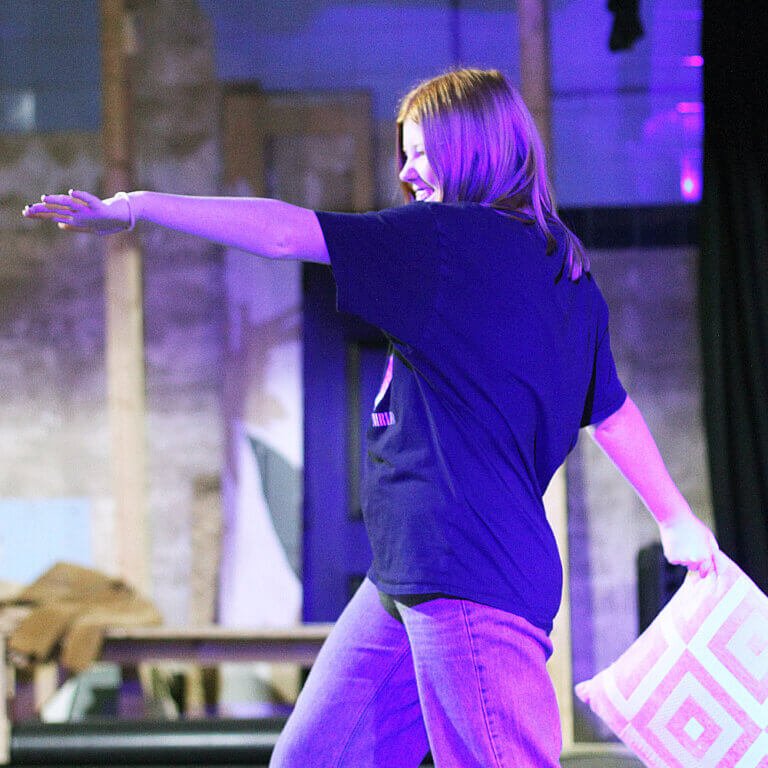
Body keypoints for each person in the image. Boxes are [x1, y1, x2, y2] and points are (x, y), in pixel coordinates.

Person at [24, 67, 721, 768]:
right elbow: (614, 414)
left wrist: (141, 205)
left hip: (466, 572)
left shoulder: (445, 242)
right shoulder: (566, 272)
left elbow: (280, 233)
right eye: (405, 153)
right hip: (408, 575)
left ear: (471, 148)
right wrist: (673, 520)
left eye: (422, 152)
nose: (409, 172)